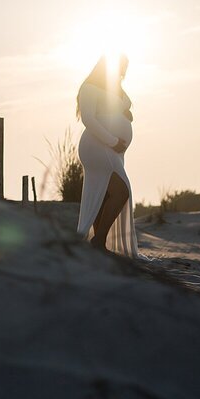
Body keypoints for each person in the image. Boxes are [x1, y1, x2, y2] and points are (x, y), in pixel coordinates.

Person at [75, 53, 139, 258]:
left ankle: (99, 241)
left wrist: (125, 113)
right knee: (122, 191)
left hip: (112, 148)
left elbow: (117, 107)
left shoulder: (114, 88)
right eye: (122, 67)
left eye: (125, 67)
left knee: (104, 191)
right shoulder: (90, 87)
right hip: (97, 145)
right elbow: (88, 118)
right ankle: (99, 239)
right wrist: (112, 141)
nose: (124, 71)